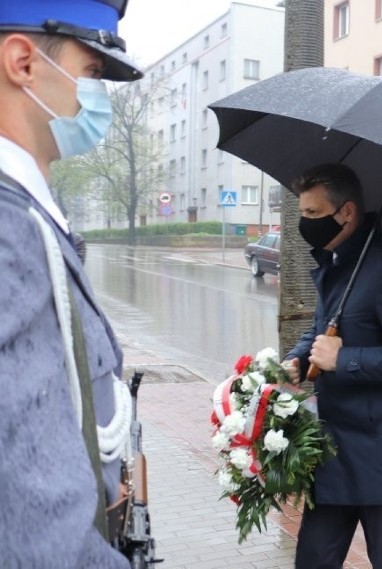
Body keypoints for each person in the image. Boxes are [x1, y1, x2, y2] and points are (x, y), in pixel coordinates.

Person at [0, 1, 143, 566]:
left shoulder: (29, 210)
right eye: (91, 73)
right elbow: (36, 531)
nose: (97, 97)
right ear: (22, 63)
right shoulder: (11, 228)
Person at [282, 163, 382, 568]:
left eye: (314, 214)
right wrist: (298, 358)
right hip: (332, 449)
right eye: (303, 214)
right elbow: (325, 330)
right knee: (313, 557)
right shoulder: (337, 263)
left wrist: (343, 360)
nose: (305, 224)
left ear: (346, 212)